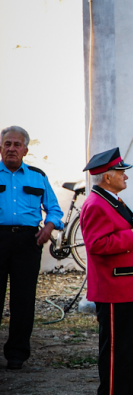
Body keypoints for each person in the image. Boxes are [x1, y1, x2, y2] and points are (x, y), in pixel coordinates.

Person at [81, 148, 133, 395]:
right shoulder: (96, 204)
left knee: (127, 349)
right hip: (113, 289)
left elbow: (126, 234)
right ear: (107, 177)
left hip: (128, 287)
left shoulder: (114, 201)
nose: (126, 177)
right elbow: (97, 245)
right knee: (114, 351)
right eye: (122, 172)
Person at [0, 126, 63, 370]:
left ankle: (17, 354)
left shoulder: (37, 176)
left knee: (23, 300)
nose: (12, 148)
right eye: (7, 144)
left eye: (17, 144)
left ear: (25, 150)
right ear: (1, 148)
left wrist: (48, 228)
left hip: (28, 241)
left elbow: (55, 210)